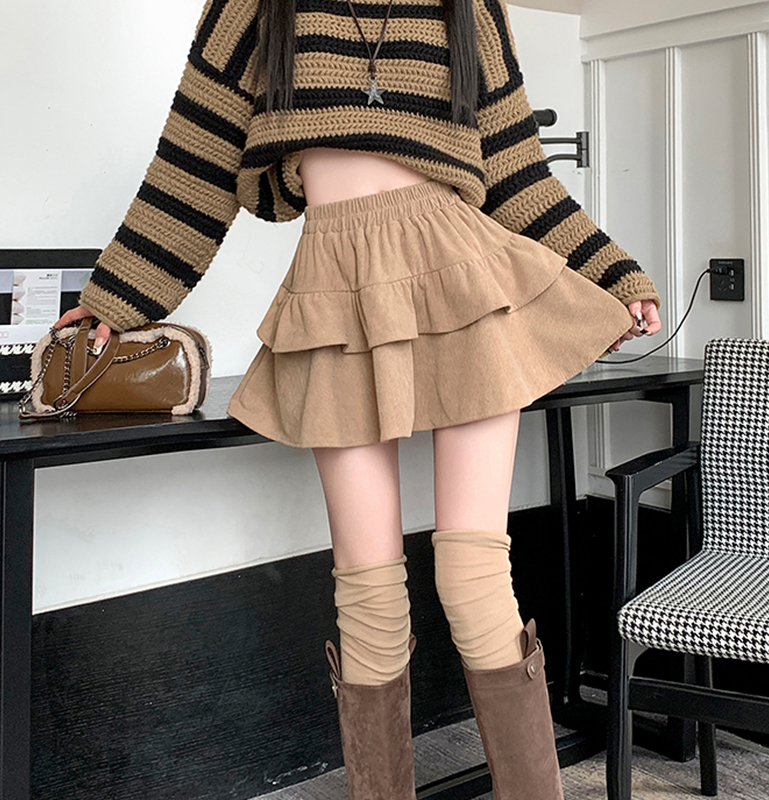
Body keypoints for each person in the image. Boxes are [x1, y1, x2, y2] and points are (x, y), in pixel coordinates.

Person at [54, 0, 663, 798]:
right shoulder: (252, 6)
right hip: (335, 289)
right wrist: (115, 298)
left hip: (463, 280)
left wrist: (614, 272)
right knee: (369, 599)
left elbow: (517, 171)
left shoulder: (470, 7)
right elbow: (192, 163)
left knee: (475, 579)